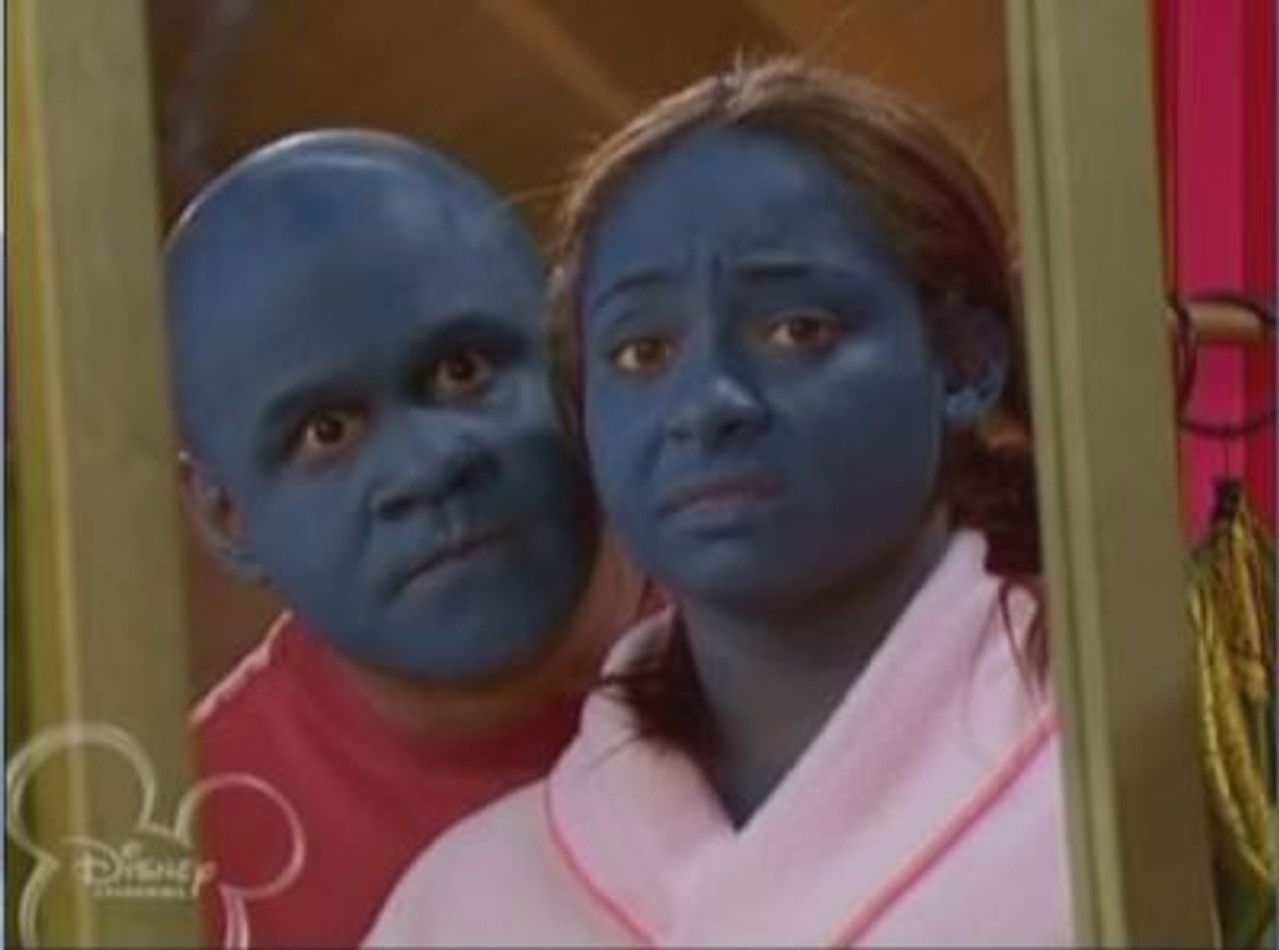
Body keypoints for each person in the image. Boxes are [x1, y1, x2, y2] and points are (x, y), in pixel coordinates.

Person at [367, 58, 1072, 947]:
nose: (707, 403)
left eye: (796, 329)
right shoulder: (463, 901)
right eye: (642, 353)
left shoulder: (1134, 768)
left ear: (967, 360)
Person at [166, 129, 644, 948]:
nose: (426, 469)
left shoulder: (800, 587)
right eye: (326, 432)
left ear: (569, 346)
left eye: (463, 371)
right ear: (225, 518)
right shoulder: (191, 851)